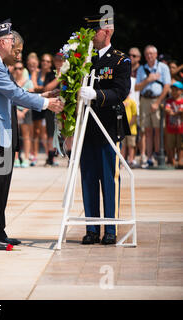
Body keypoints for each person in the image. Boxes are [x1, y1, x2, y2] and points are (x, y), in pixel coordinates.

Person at [0, 19, 64, 250]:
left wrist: (43, 94)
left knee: (0, 185)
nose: (13, 45)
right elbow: (13, 92)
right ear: (1, 42)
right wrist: (46, 103)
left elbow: (14, 91)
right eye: (11, 41)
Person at [78, 13, 132, 245]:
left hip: (108, 126)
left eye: (94, 31)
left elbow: (121, 92)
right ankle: (92, 228)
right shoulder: (82, 59)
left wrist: (97, 95)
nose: (90, 36)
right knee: (88, 178)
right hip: (87, 127)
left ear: (107, 32)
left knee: (110, 179)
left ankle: (110, 228)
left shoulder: (120, 60)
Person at [135, 45, 171, 168]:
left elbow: (167, 87)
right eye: (147, 54)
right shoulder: (141, 69)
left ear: (156, 55)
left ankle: (158, 155)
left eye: (151, 53)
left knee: (158, 130)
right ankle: (149, 158)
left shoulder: (163, 67)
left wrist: (158, 102)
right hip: (145, 100)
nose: (149, 56)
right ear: (144, 56)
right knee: (147, 131)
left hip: (158, 99)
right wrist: (148, 80)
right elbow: (136, 87)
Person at [164, 81, 183, 168]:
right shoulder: (169, 101)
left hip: (181, 128)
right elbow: (167, 109)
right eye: (173, 90)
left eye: (177, 90)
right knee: (171, 146)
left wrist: (175, 112)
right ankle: (172, 161)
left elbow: (181, 111)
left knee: (180, 146)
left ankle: (180, 160)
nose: (174, 92)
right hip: (170, 128)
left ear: (181, 91)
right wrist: (173, 112)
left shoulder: (182, 101)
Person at [121, 90, 138, 168]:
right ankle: (122, 161)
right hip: (122, 129)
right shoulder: (121, 102)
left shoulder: (132, 102)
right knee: (123, 146)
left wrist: (128, 125)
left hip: (131, 129)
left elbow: (134, 115)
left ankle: (131, 161)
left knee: (131, 146)